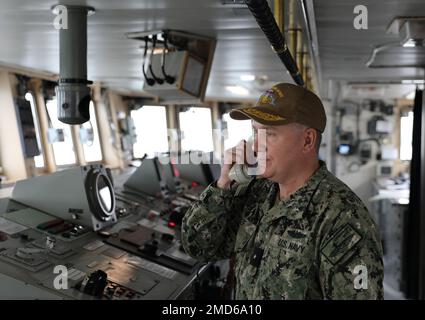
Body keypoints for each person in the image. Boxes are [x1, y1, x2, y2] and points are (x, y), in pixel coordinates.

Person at [181, 83, 384, 300]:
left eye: (268, 134)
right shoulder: (253, 191)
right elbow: (199, 248)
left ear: (307, 140)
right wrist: (223, 186)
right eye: (254, 132)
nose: (255, 146)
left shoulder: (342, 217)